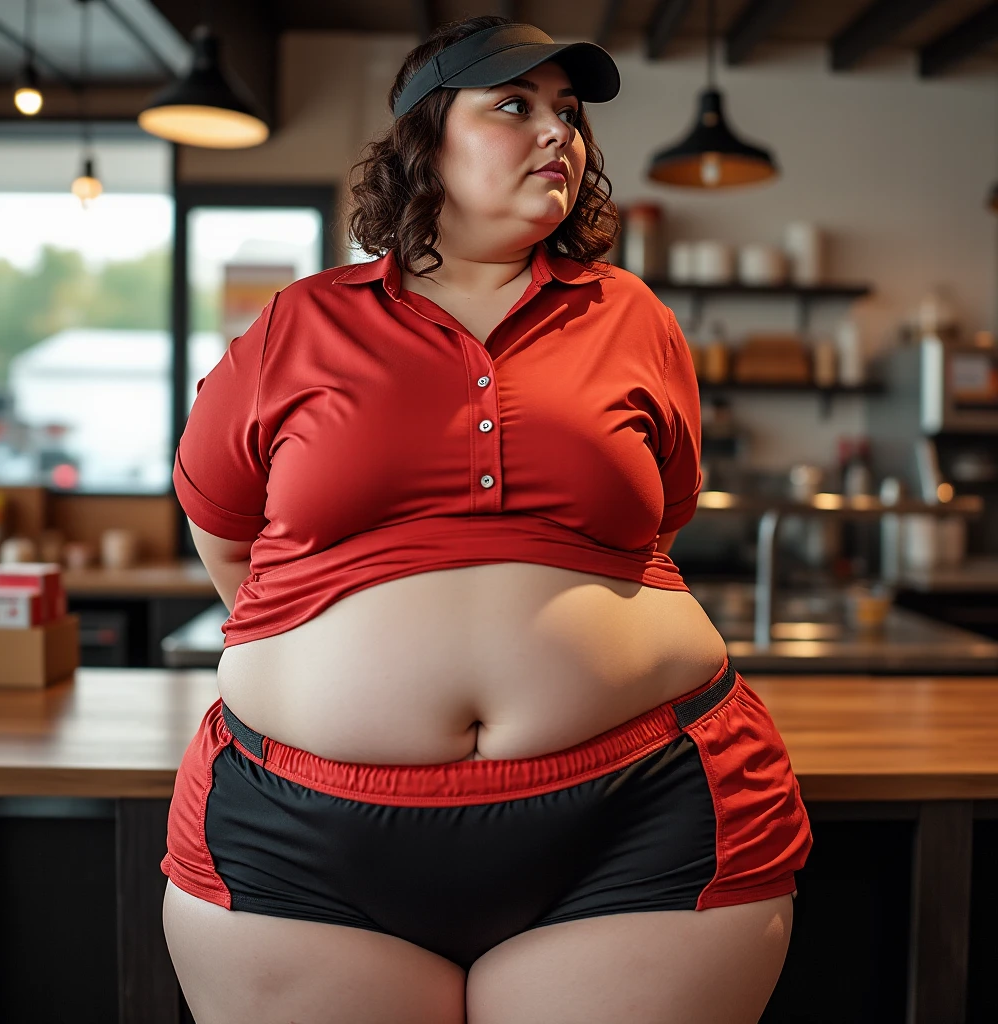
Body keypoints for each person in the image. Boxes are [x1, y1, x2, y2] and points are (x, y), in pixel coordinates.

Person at [161, 15, 812, 1024]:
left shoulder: (632, 315)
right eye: (515, 105)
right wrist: (319, 642)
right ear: (429, 137)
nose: (559, 132)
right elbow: (223, 530)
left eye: (569, 113)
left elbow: (651, 535)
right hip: (303, 837)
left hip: (635, 816)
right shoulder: (299, 321)